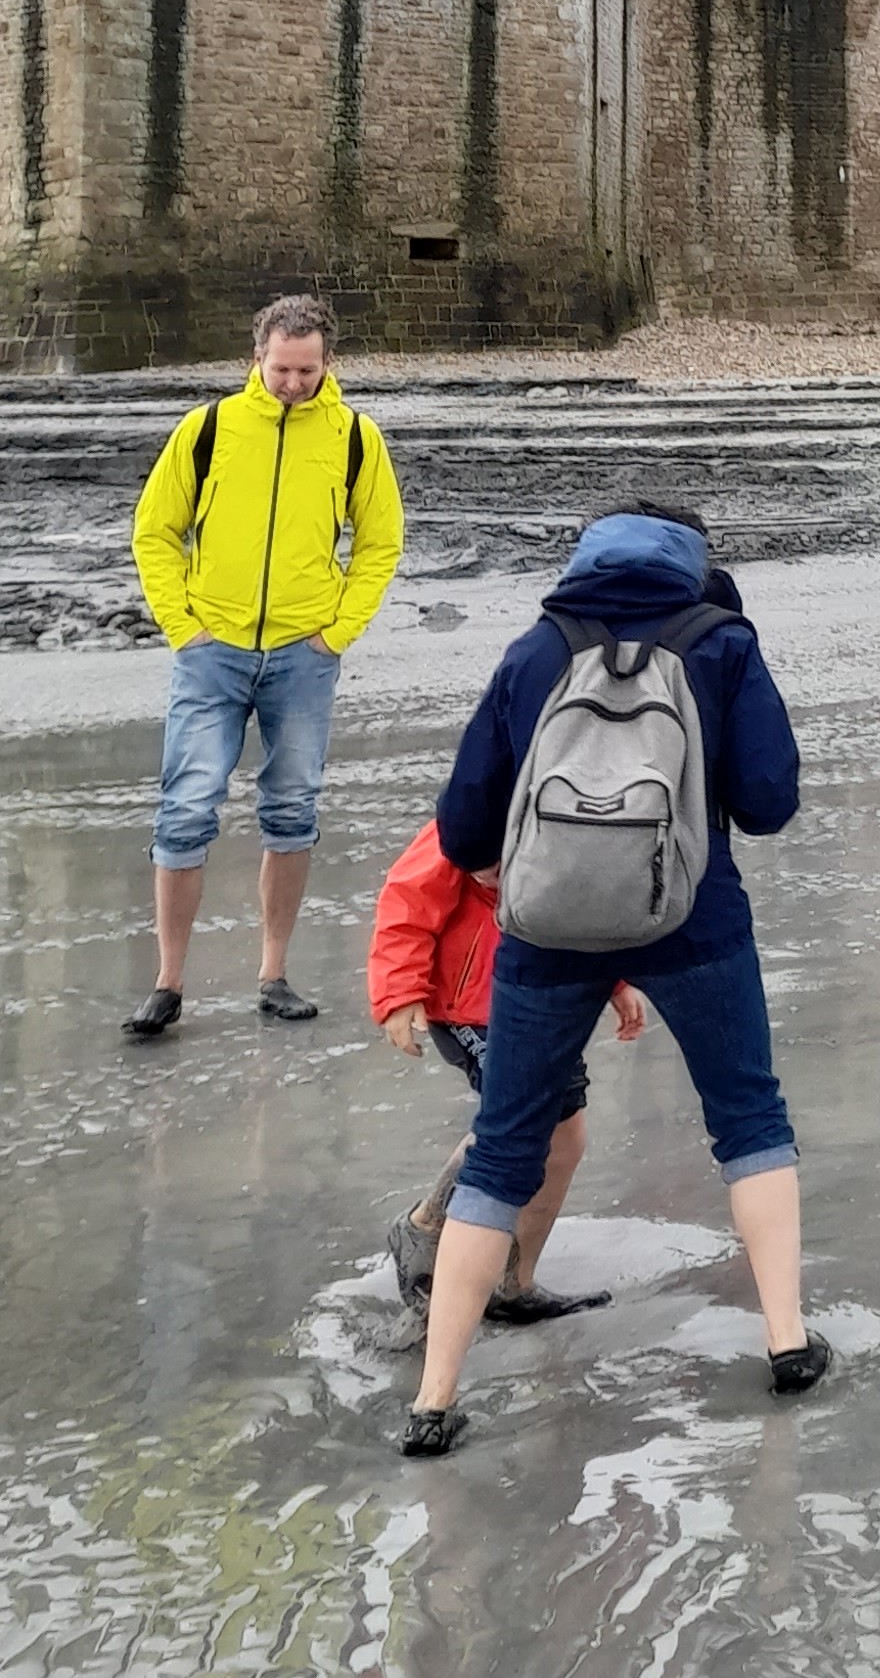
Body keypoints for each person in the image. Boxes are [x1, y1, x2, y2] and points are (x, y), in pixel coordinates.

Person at [400, 507, 810, 1458]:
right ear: (693, 564)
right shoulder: (722, 644)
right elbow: (772, 799)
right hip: (697, 916)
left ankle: (434, 1398)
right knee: (750, 1119)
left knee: (503, 1152)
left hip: (546, 932)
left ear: (584, 559)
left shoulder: (535, 649)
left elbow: (463, 827)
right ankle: (787, 1341)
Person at [125, 294, 406, 1037]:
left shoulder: (354, 438)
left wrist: (337, 632)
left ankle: (274, 974)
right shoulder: (209, 429)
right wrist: (183, 627)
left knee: (292, 810)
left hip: (303, 656)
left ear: (327, 363)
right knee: (186, 810)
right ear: (258, 358)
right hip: (210, 652)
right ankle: (168, 983)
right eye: (281, 369)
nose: (292, 383)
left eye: (306, 371)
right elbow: (155, 532)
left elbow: (379, 543)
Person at [368, 820, 643, 1323]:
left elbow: (582, 910)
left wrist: (613, 981)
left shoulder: (575, 810)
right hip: (469, 1007)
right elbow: (406, 902)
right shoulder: (480, 804)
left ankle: (513, 1285)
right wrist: (398, 992)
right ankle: (426, 1224)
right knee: (519, 1123)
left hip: (546, 997)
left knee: (565, 1138)